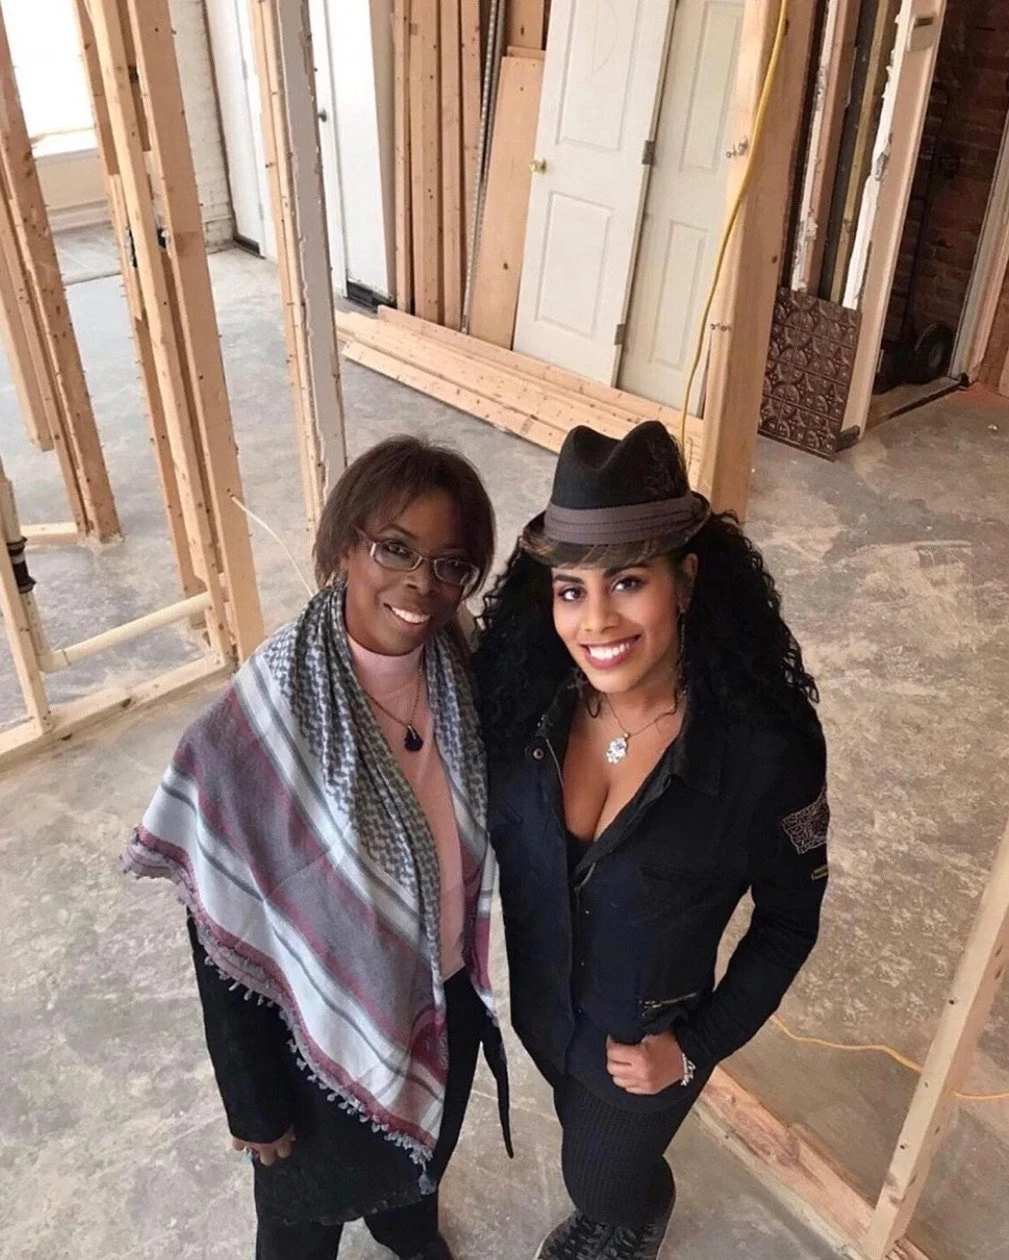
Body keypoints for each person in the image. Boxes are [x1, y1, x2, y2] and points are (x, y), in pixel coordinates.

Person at [125, 436, 510, 1260]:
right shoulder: (260, 720)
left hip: (441, 998)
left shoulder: (462, 670)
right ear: (345, 546)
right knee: (302, 1225)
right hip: (307, 1036)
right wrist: (252, 1101)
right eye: (394, 549)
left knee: (418, 1170)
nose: (421, 583)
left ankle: (407, 1229)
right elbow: (217, 927)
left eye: (449, 565)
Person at [474, 422, 829, 1260]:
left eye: (627, 581)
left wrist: (694, 1050)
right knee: (580, 1140)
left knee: (602, 1182)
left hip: (643, 1050)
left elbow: (788, 922)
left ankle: (632, 1216)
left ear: (686, 582)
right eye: (570, 590)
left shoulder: (765, 749)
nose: (595, 620)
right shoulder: (522, 702)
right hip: (541, 1012)